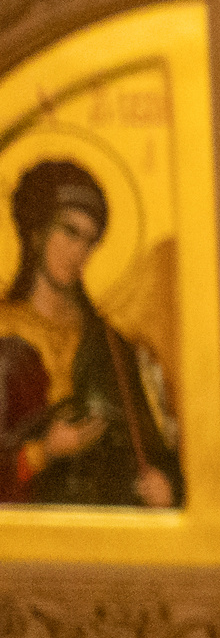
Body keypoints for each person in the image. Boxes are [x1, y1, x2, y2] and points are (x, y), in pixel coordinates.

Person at [0, 164, 182, 510]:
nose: (79, 252)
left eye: (90, 240)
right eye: (69, 232)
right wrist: (44, 452)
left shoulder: (111, 345)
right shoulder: (3, 334)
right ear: (37, 231)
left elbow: (152, 448)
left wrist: (165, 487)